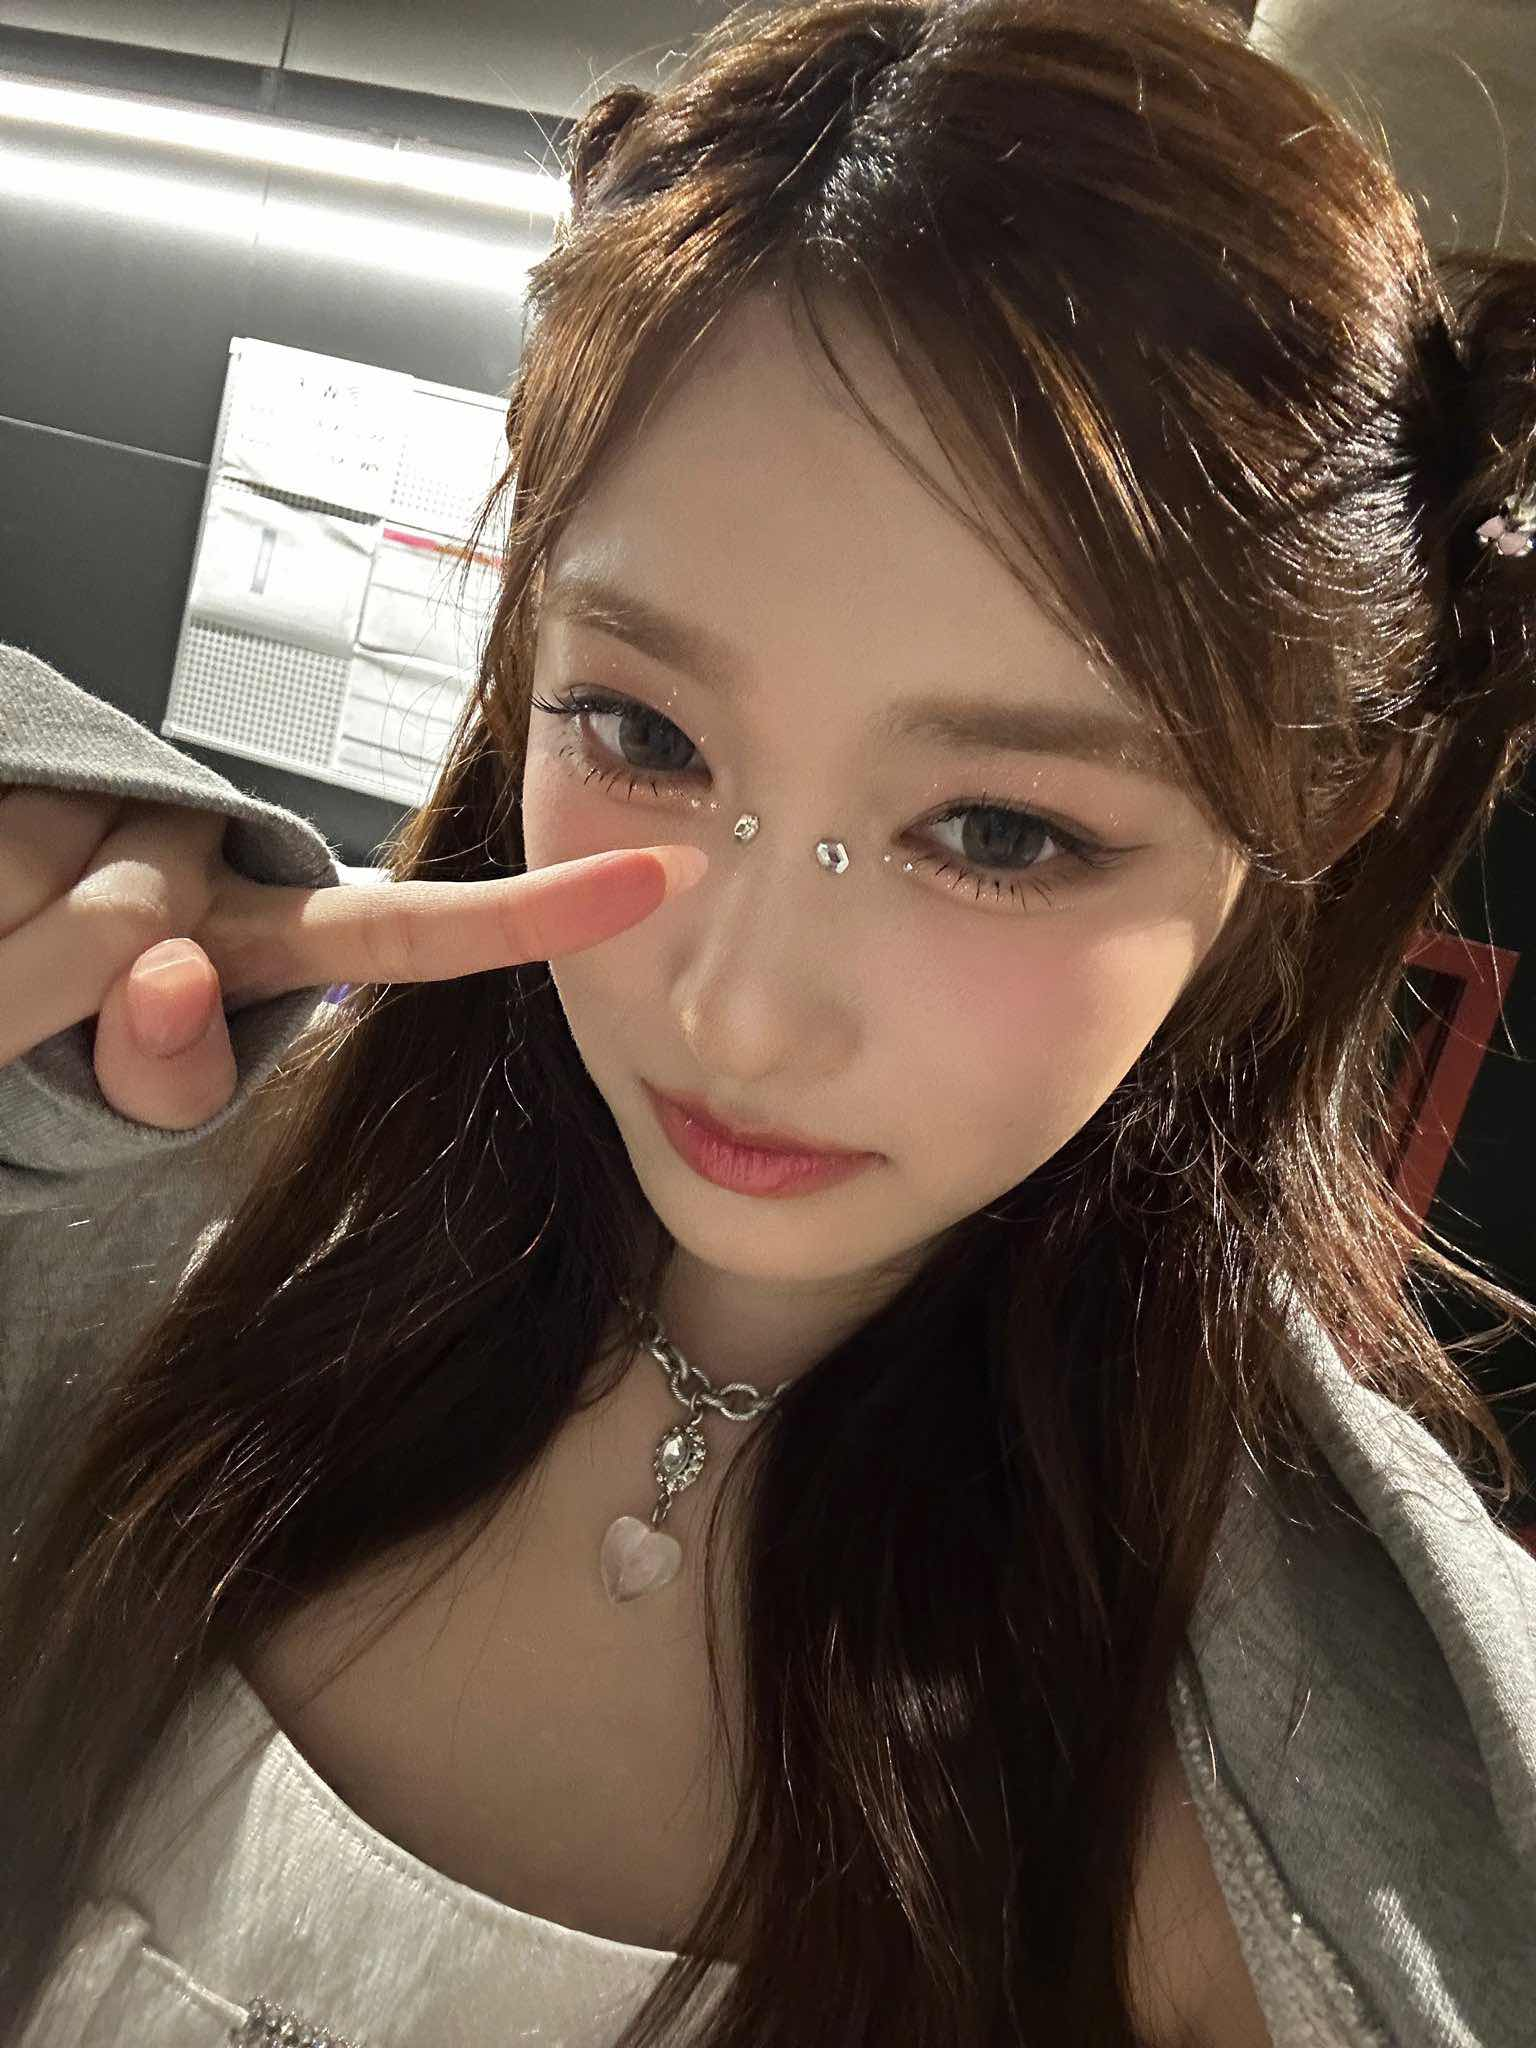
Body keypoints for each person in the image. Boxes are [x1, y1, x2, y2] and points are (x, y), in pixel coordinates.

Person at [2, 0, 1535, 2042]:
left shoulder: (1328, 1845)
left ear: (1315, 811)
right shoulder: (155, 1256)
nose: (736, 1010)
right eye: (642, 731)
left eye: (998, 830)